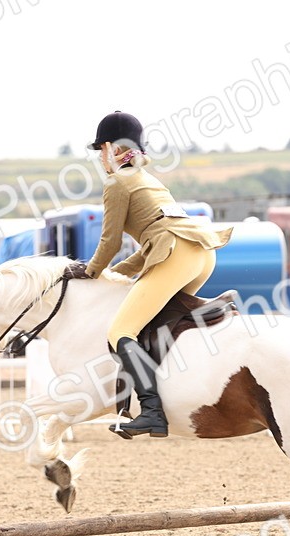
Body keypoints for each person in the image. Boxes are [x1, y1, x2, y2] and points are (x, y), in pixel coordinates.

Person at [84, 111, 232, 439]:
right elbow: (150, 242)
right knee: (159, 320)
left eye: (100, 152)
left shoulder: (117, 182)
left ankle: (151, 411)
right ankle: (183, 382)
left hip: (175, 254)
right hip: (200, 252)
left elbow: (109, 242)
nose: (100, 158)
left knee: (121, 330)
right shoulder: (148, 180)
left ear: (109, 147)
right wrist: (117, 273)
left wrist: (92, 272)